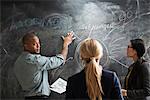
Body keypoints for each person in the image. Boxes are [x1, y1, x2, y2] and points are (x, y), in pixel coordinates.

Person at [14, 31, 74, 99]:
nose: (38, 46)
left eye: (38, 43)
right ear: (26, 46)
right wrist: (66, 44)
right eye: (34, 44)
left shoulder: (18, 62)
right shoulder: (35, 60)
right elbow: (60, 60)